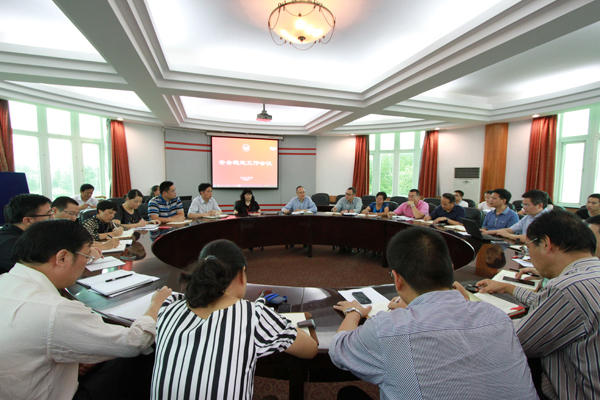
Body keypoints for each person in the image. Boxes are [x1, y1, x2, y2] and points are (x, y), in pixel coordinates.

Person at [328, 227, 537, 400]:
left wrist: (354, 312)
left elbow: (339, 350)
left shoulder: (387, 328)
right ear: (451, 269)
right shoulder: (497, 317)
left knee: (349, 394)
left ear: (397, 279)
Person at [0, 219, 172, 400]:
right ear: (62, 257)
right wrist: (156, 304)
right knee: (143, 354)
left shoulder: (5, 280)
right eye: (87, 257)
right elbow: (135, 342)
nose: (86, 264)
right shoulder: (56, 309)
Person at [150, 239, 318, 399]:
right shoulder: (253, 315)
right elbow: (310, 349)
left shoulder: (167, 309)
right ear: (241, 274)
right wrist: (277, 322)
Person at [476, 210, 600, 400]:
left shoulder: (566, 289)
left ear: (545, 243)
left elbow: (514, 341)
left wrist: (471, 308)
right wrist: (508, 287)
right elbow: (557, 308)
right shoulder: (588, 276)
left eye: (528, 247)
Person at [0, 194, 52, 274]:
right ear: (28, 220)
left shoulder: (28, 236)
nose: (52, 218)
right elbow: (39, 273)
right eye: (48, 215)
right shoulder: (10, 244)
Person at [482, 189, 548, 241]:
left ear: (540, 205)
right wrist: (487, 232)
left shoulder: (547, 219)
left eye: (527, 205)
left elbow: (531, 239)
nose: (524, 208)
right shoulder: (527, 217)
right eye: (523, 205)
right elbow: (510, 230)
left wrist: (508, 235)